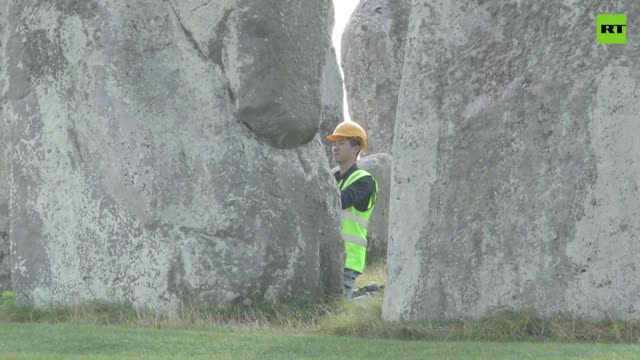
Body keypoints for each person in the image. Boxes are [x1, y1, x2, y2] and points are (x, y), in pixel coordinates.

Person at [327, 121, 378, 298]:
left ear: (356, 149)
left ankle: (370, 298)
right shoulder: (333, 178)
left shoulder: (365, 180)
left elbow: (341, 201)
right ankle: (367, 294)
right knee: (331, 303)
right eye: (334, 143)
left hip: (349, 256)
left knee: (339, 306)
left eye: (341, 143)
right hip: (330, 254)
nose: (335, 148)